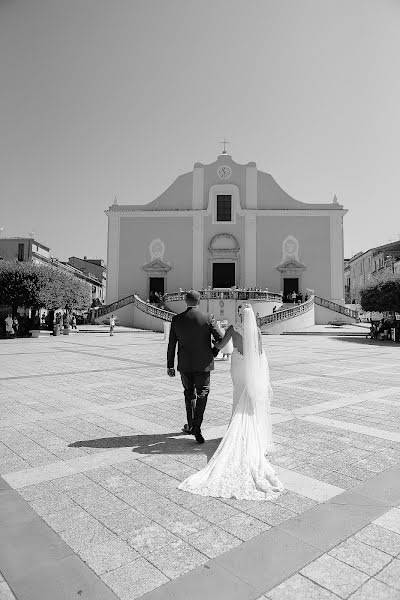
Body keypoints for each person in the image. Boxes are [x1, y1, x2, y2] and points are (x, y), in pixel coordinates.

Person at [179, 304, 283, 500]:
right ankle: (254, 433)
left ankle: (236, 432)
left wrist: (208, 347)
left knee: (238, 395)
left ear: (239, 315)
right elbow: (260, 353)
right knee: (250, 398)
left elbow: (219, 346)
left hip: (237, 366)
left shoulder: (233, 330)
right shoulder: (257, 331)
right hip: (252, 368)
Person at [167, 290, 223, 444]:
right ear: (199, 302)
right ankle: (196, 427)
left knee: (188, 394)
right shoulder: (207, 317)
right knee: (202, 394)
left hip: (184, 364)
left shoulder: (176, 319)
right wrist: (213, 352)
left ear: (185, 301)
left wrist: (170, 365)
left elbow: (172, 344)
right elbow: (221, 338)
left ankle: (192, 425)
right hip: (203, 364)